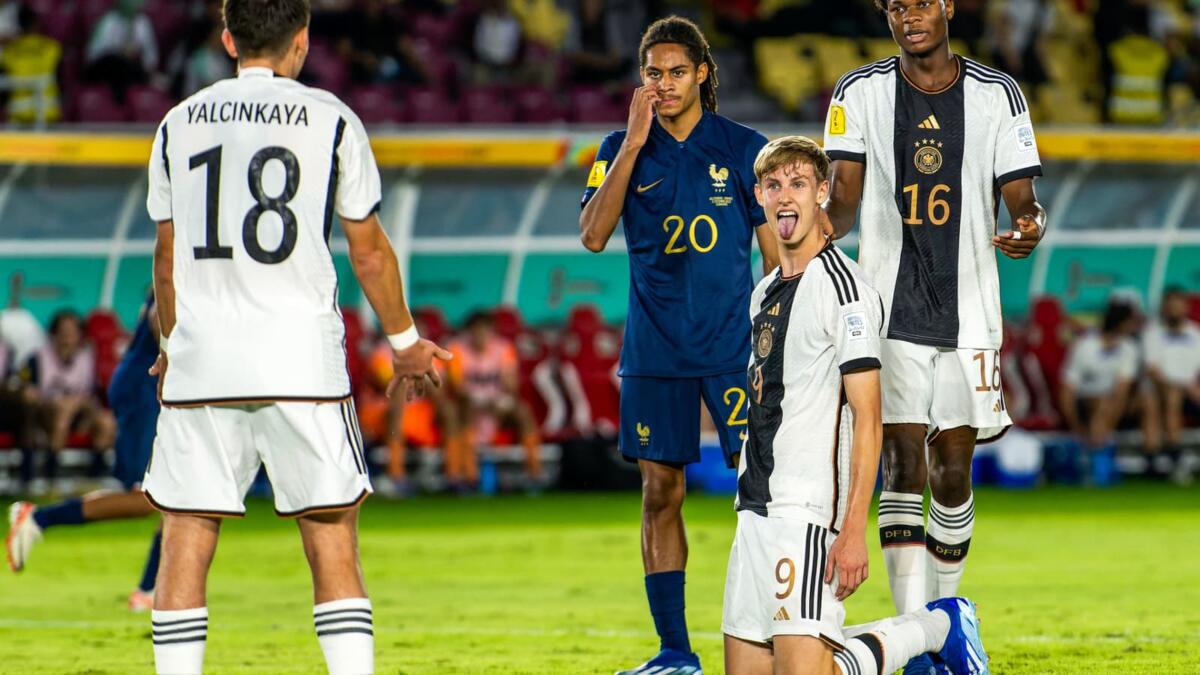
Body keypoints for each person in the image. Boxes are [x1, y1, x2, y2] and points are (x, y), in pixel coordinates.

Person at [142, 1, 450, 672]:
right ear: (302, 41)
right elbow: (368, 252)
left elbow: (166, 262)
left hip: (204, 361)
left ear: (227, 39)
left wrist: (168, 349)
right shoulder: (332, 119)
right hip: (300, 361)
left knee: (187, 533)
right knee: (331, 536)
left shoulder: (177, 124)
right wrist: (405, 341)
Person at [820, 4, 1047, 670]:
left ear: (948, 5)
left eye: (921, 2)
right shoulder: (858, 93)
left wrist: (1029, 225)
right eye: (896, 5)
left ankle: (950, 617)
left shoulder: (997, 93)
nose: (909, 16)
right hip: (889, 305)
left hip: (971, 306)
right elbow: (841, 200)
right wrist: (805, 242)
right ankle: (914, 632)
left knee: (952, 467)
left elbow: (1023, 198)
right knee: (902, 460)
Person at [723, 134, 989, 675]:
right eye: (773, 185)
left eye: (798, 183)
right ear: (759, 196)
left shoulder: (844, 289)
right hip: (752, 511)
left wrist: (851, 530)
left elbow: (869, 416)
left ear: (822, 192)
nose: (785, 196)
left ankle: (936, 626)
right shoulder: (765, 289)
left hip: (806, 510)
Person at [579, 15, 779, 675]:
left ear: (701, 74)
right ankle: (675, 652)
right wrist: (633, 145)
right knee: (659, 492)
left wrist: (783, 336)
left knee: (767, 491)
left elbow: (778, 257)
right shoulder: (616, 146)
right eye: (651, 74)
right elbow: (592, 234)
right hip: (655, 352)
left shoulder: (746, 147)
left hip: (733, 349)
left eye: (674, 71)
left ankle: (781, 630)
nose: (662, 84)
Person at [7, 295, 164, 612]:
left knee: (181, 499)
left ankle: (150, 589)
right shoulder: (179, 266)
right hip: (147, 387)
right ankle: (38, 517)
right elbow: (160, 318)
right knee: (150, 497)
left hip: (152, 387)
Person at [18, 310, 116, 490]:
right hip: (46, 415)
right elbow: (29, 394)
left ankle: (96, 477)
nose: (67, 338)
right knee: (63, 409)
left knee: (106, 421)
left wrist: (80, 407)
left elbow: (92, 394)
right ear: (54, 334)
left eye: (72, 333)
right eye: (63, 332)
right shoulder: (37, 358)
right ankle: (51, 471)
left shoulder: (88, 358)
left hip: (81, 412)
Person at [446, 311, 542, 489]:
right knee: (463, 409)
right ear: (469, 331)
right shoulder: (456, 349)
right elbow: (457, 387)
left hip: (497, 405)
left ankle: (534, 474)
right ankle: (468, 475)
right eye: (477, 330)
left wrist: (502, 399)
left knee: (523, 412)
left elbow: (511, 384)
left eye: (485, 330)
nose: (481, 335)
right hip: (469, 405)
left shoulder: (503, 348)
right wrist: (480, 402)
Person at [1058, 299, 1146, 483]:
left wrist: (1108, 427)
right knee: (1102, 402)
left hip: (1115, 407)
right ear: (1121, 323)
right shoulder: (1085, 346)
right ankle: (1098, 458)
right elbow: (1067, 390)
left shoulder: (1129, 348)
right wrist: (1075, 426)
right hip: (1084, 403)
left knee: (1127, 400)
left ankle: (1100, 449)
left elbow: (1122, 389)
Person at [1142, 287, 1200, 482]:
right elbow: (1152, 370)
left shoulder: (1194, 332)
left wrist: (1192, 388)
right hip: (1161, 388)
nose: (1174, 310)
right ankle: (1169, 458)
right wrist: (1181, 386)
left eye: (1178, 306)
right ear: (1164, 308)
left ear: (1185, 307)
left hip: (1192, 390)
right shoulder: (1152, 332)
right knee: (1166, 397)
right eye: (1170, 306)